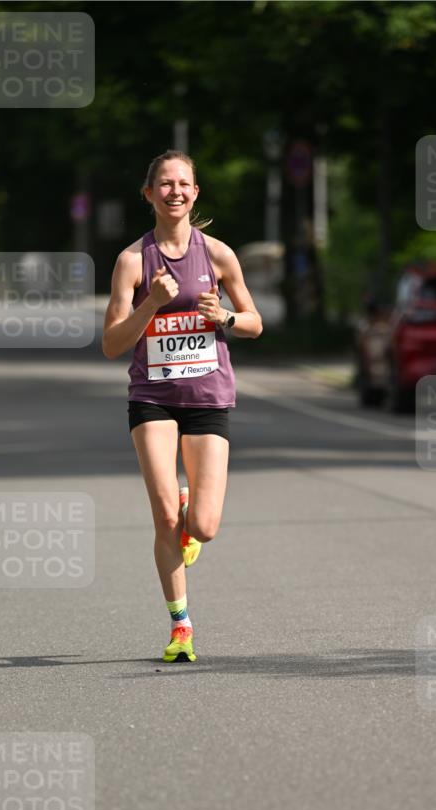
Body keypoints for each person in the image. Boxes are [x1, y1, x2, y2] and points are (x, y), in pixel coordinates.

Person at [102, 150, 262, 663]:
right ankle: (181, 626)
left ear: (196, 193)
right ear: (148, 194)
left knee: (204, 527)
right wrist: (150, 302)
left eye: (184, 184)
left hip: (207, 396)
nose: (175, 191)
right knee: (165, 515)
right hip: (152, 397)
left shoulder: (218, 255)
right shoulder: (133, 261)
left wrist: (227, 318)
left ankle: (191, 505)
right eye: (164, 184)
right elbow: (111, 344)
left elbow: (255, 320)